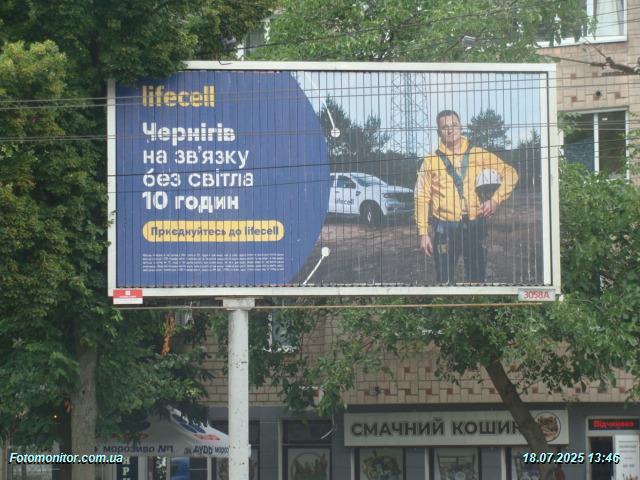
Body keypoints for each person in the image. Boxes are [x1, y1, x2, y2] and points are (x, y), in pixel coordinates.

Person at [415, 110, 518, 284]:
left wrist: (495, 199)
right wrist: (423, 233)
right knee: (444, 280)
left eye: (454, 125)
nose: (450, 130)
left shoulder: (478, 154)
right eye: (445, 127)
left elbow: (511, 173)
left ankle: (474, 300)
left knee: (476, 279)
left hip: (474, 224)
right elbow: (421, 197)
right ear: (438, 132)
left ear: (461, 127)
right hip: (444, 227)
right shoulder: (430, 161)